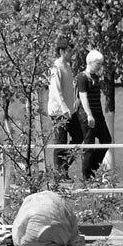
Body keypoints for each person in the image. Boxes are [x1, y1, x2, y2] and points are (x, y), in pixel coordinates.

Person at [47, 38, 82, 179]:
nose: (70, 54)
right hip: (58, 112)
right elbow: (56, 91)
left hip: (69, 110)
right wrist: (63, 108)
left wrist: (75, 100)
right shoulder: (56, 68)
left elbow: (69, 88)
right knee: (60, 142)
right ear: (61, 51)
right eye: (68, 51)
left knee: (79, 137)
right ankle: (59, 174)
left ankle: (64, 167)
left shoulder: (67, 66)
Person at [75, 49, 112, 181]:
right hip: (87, 115)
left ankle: (93, 169)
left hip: (98, 114)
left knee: (106, 140)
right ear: (90, 62)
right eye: (98, 63)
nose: (100, 66)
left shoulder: (96, 77)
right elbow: (83, 97)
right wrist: (89, 115)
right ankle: (86, 176)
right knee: (89, 145)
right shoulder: (82, 77)